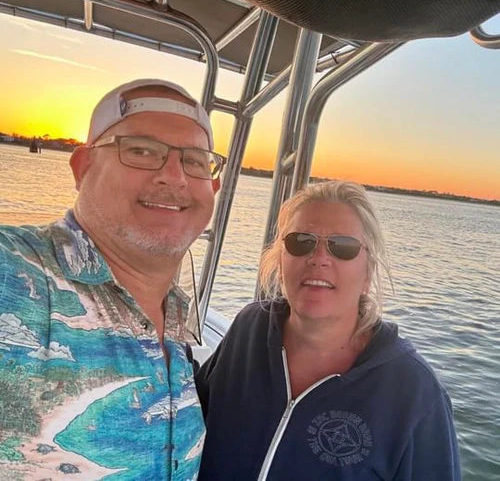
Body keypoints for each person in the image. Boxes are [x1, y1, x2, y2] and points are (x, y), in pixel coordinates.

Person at [0, 79, 225, 479]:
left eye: (194, 161)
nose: (174, 177)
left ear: (213, 187)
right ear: (83, 167)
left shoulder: (175, 317)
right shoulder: (18, 275)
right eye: (141, 151)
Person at [196, 181, 461, 480]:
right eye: (301, 241)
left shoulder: (415, 394)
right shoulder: (249, 328)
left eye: (342, 247)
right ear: (280, 259)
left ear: (368, 273)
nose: (319, 258)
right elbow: (187, 420)